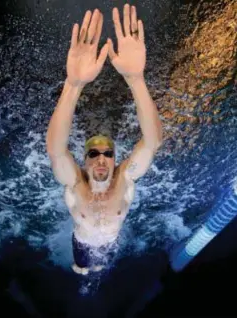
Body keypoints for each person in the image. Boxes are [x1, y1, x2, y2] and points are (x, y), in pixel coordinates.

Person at [46, 4, 163, 275]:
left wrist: (136, 79)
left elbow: (152, 142)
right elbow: (55, 151)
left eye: (108, 153)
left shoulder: (126, 179)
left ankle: (98, 265)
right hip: (82, 242)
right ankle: (82, 267)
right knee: (82, 267)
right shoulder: (75, 184)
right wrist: (73, 85)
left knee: (104, 264)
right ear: (84, 160)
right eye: (94, 153)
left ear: (115, 157)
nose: (101, 158)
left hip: (111, 240)